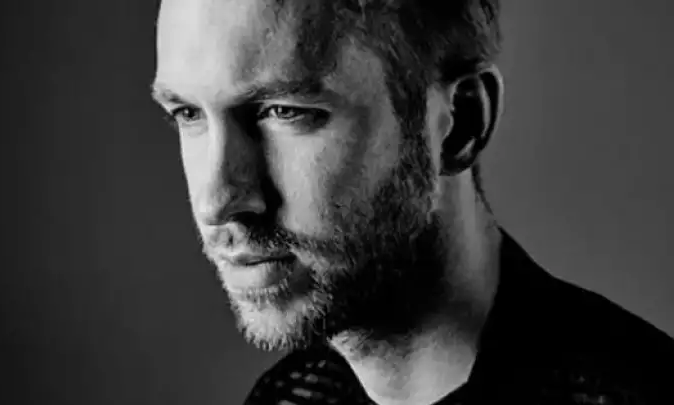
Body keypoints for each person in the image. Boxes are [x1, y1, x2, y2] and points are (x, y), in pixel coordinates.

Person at [151, 0, 674, 403]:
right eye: (187, 114)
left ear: (460, 122)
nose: (217, 202)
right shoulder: (285, 397)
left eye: (285, 111)